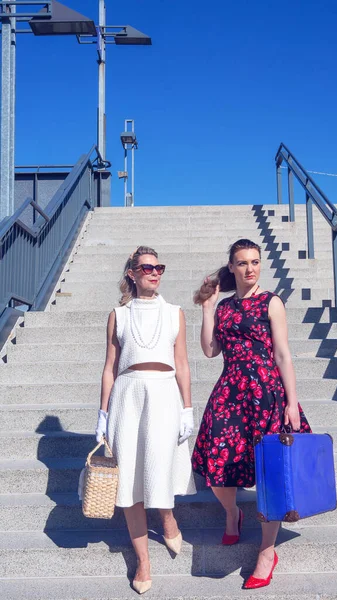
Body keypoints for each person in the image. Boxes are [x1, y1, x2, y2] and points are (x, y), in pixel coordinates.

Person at [192, 238, 311, 590]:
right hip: (229, 392)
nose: (250, 268)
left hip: (267, 394)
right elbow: (211, 351)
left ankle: (266, 551)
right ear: (231, 266)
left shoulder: (272, 302)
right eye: (242, 262)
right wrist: (208, 308)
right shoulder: (226, 308)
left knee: (272, 474)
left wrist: (291, 402)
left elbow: (283, 355)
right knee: (216, 468)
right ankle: (233, 513)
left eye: (255, 262)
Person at [95, 246, 196, 595]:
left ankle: (167, 520)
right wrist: (103, 413)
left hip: (165, 393)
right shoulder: (118, 315)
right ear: (132, 274)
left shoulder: (175, 313)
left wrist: (187, 408)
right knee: (129, 482)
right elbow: (109, 368)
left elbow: (182, 364)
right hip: (127, 394)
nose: (154, 272)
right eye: (147, 268)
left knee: (159, 466)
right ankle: (143, 561)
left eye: (159, 267)